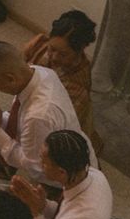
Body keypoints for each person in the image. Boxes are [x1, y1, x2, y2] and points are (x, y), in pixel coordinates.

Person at [0, 41, 97, 183]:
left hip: (64, 177)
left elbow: (33, 166)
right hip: (57, 145)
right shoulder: (37, 72)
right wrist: (1, 119)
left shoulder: (39, 116)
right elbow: (21, 118)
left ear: (10, 79)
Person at [23, 9, 104, 156]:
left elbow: (59, 129)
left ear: (79, 51)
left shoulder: (77, 88)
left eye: (63, 54)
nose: (53, 57)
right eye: (52, 48)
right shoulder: (40, 43)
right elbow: (19, 67)